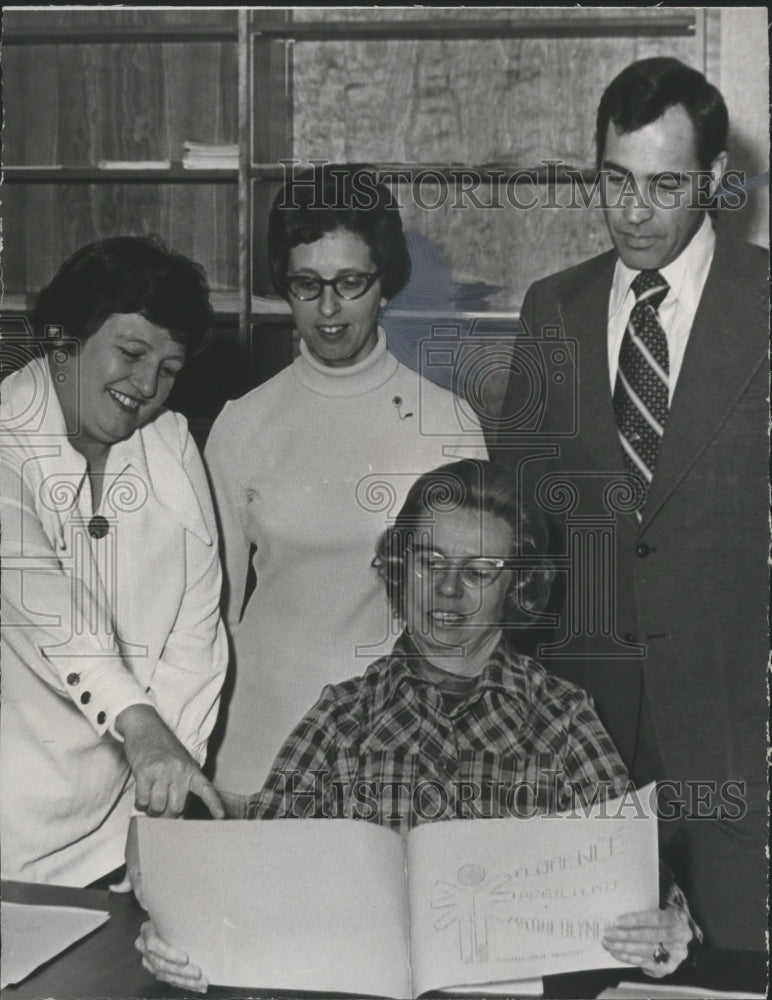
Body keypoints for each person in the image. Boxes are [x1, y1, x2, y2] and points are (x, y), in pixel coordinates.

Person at [134, 460, 699, 992]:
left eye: (478, 571)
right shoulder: (343, 717)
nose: (449, 589)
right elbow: (255, 867)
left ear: (519, 586)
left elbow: (637, 877)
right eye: (430, 562)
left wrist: (665, 927)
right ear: (403, 568)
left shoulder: (563, 716)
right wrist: (186, 931)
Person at [492, 58, 768, 954]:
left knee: (732, 971)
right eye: (616, 181)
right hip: (583, 742)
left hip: (736, 748)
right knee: (583, 968)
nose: (635, 211)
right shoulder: (553, 311)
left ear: (717, 180)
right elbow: (521, 525)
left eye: (665, 184)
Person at [204, 164, 485, 793]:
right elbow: (212, 616)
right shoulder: (242, 425)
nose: (328, 309)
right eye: (307, 284)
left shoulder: (448, 424)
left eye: (350, 283)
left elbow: (468, 617)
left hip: (396, 744)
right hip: (257, 743)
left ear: (385, 283)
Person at [0, 236, 228, 887]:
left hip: (119, 835)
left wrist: (161, 808)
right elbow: (51, 608)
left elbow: (195, 642)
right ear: (65, 338)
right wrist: (144, 730)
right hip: (11, 839)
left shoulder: (170, 447)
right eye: (131, 353)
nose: (147, 385)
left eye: (170, 368)